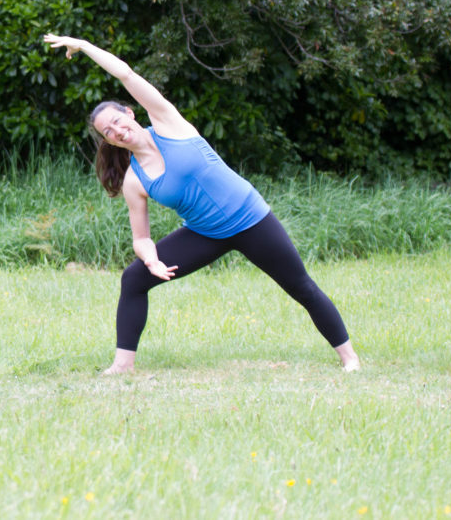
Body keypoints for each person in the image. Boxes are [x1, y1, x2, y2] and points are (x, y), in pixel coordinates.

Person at [44, 34, 360, 375]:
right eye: (108, 131)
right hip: (205, 233)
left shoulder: (168, 123)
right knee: (134, 279)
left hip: (250, 218)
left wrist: (86, 46)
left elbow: (127, 75)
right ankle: (123, 366)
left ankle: (350, 359)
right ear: (107, 140)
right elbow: (141, 238)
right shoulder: (135, 181)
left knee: (301, 286)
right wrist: (151, 260)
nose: (117, 131)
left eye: (118, 121)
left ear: (130, 113)